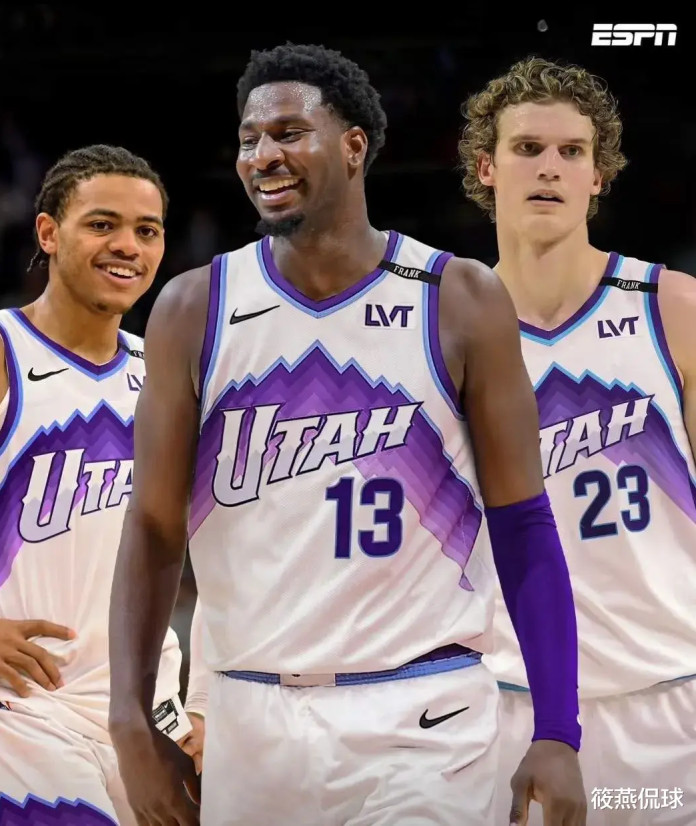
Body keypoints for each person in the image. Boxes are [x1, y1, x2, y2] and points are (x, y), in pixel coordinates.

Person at [108, 43, 586, 826]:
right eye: (249, 139)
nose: (263, 155)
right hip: (251, 720)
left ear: (354, 146)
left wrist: (558, 728)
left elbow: (524, 523)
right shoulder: (194, 308)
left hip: (424, 715)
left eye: (289, 132)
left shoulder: (458, 298)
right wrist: (130, 718)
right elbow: (155, 526)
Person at [458, 56, 696, 825]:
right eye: (527, 149)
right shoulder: (447, 329)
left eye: (572, 151)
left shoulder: (673, 309)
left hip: (670, 702)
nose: (550, 168)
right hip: (506, 706)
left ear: (599, 175)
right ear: (487, 167)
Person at [0, 144, 205, 825]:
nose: (127, 245)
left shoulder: (168, 375)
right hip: (12, 708)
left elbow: (227, 559)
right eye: (102, 224)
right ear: (49, 233)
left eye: (146, 230)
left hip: (144, 716)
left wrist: (202, 704)